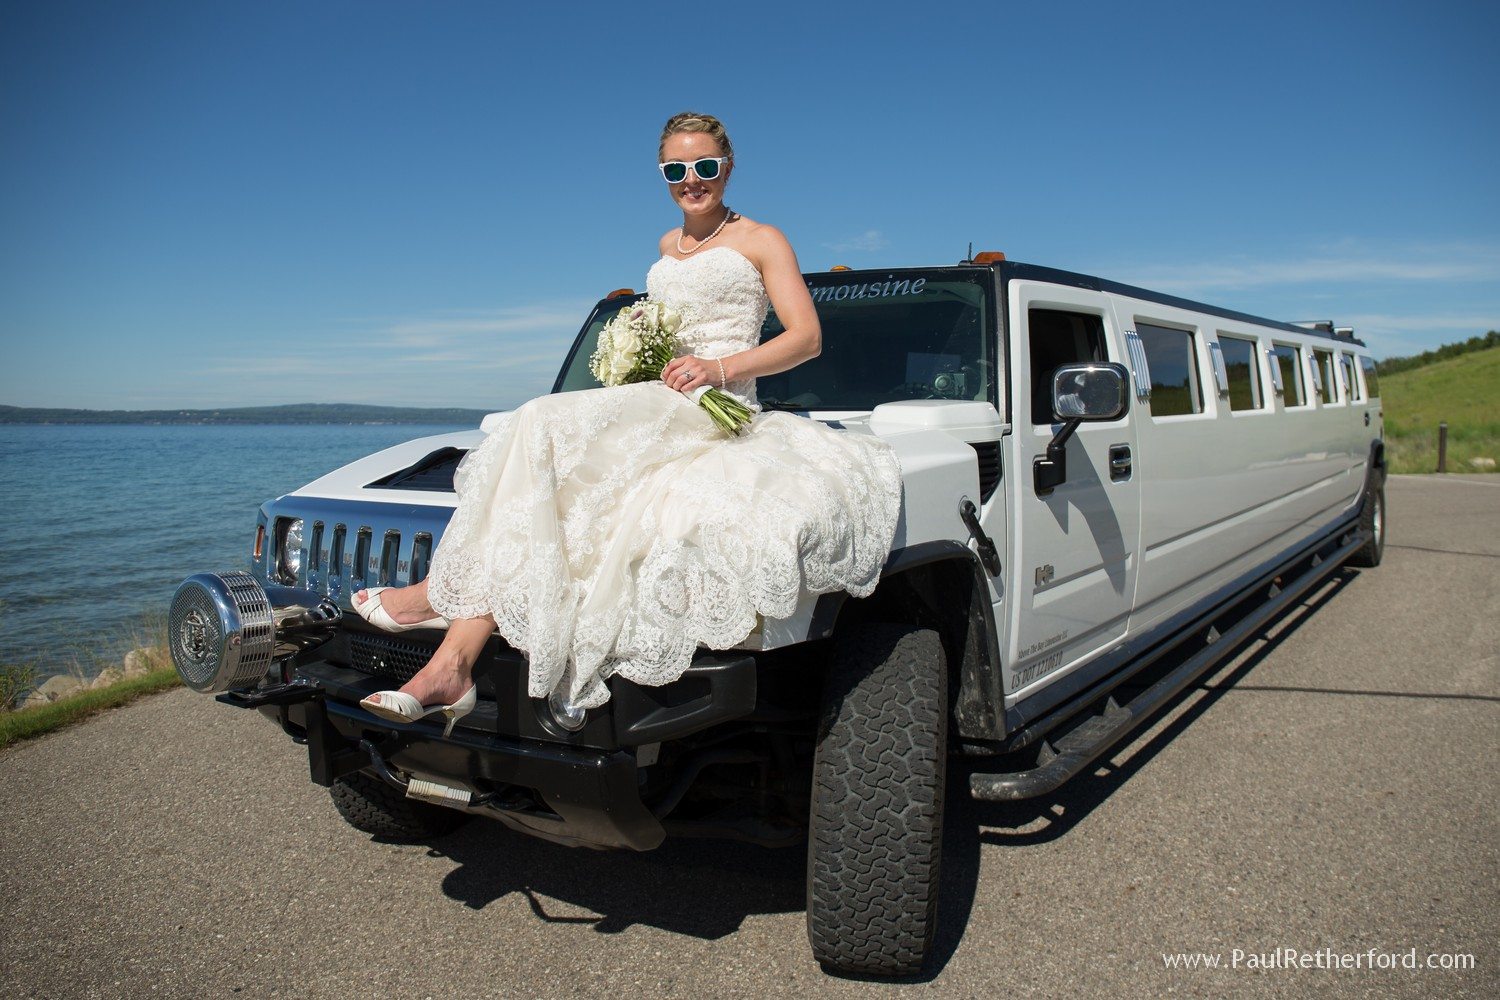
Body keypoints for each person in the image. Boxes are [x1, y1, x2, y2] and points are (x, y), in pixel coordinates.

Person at [355, 112, 902, 732]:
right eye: (675, 169)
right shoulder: (668, 246)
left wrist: (718, 368)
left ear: (728, 167)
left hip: (714, 404)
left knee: (536, 420)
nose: (690, 180)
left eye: (704, 167)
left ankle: (437, 595)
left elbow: (806, 339)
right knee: (545, 496)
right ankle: (450, 668)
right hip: (658, 397)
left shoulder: (761, 238)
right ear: (663, 174)